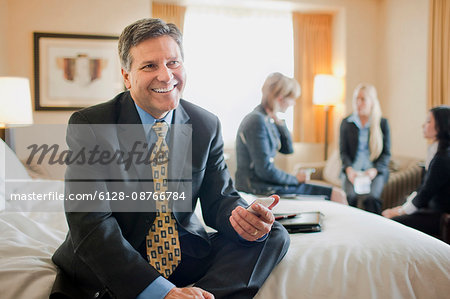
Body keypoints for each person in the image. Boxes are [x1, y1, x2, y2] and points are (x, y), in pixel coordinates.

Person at [50, 18, 290, 299]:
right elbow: (91, 222)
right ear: (127, 76)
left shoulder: (205, 124)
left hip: (185, 253)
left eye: (173, 63)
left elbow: (219, 200)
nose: (166, 76)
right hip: (119, 257)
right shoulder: (91, 125)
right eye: (149, 66)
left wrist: (243, 218)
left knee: (272, 235)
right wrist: (161, 292)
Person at [235, 72, 347, 204]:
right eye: (292, 99)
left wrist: (280, 124)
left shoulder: (267, 120)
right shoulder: (256, 121)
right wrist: (295, 179)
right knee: (336, 194)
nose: (293, 103)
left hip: (265, 184)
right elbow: (265, 170)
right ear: (280, 98)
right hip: (258, 188)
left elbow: (288, 149)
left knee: (337, 193)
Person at [382, 106, 450, 237]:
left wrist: (401, 211)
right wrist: (401, 208)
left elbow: (425, 193)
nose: (423, 125)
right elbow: (423, 188)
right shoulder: (435, 152)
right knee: (389, 216)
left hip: (438, 215)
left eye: (429, 121)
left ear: (440, 126)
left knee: (391, 223)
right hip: (429, 209)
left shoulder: (443, 158)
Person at [339, 83, 391, 214]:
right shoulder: (346, 123)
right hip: (352, 170)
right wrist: (349, 170)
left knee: (372, 199)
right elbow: (343, 152)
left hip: (373, 171)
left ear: (372, 102)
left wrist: (375, 170)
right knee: (349, 197)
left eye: (363, 99)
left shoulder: (382, 123)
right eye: (356, 98)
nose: (358, 103)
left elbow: (386, 154)